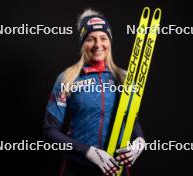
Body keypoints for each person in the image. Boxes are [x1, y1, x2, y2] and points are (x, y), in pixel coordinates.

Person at [43, 8, 145, 176]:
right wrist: (88, 152)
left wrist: (139, 140)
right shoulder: (68, 79)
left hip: (116, 170)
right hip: (76, 169)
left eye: (103, 38)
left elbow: (131, 120)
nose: (98, 45)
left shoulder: (124, 78)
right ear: (83, 43)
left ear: (110, 42)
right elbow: (50, 130)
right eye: (90, 39)